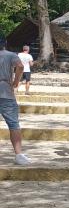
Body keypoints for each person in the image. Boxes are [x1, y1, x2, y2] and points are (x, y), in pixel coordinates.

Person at [0, 35, 30, 165]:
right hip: (5, 91)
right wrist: (16, 81)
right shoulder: (10, 55)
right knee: (13, 124)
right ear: (5, 43)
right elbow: (20, 66)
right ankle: (18, 155)